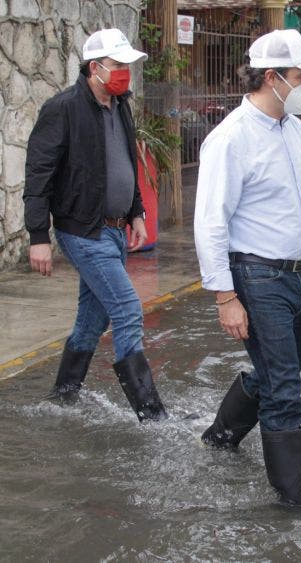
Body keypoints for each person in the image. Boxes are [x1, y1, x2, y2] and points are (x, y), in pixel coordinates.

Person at [194, 29, 301, 506]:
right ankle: (293, 504)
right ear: (272, 78)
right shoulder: (230, 138)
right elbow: (210, 222)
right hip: (255, 275)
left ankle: (219, 437)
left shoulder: (295, 130)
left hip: (295, 274)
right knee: (285, 390)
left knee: (280, 371)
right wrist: (225, 296)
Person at [23, 28, 167, 422]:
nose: (125, 73)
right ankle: (152, 416)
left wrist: (136, 212)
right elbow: (38, 174)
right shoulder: (63, 108)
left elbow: (125, 162)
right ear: (94, 68)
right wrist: (38, 236)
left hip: (116, 229)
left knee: (93, 317)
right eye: (117, 65)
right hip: (83, 230)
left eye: (127, 65)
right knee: (127, 309)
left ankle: (62, 396)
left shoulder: (120, 105)